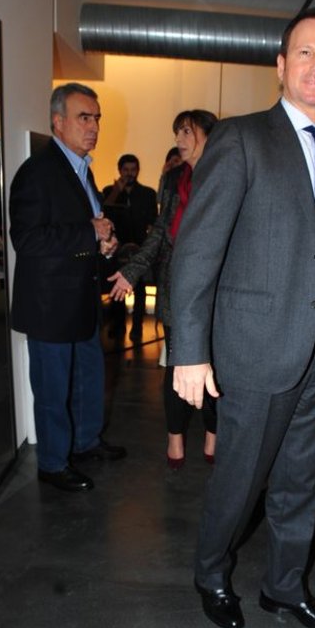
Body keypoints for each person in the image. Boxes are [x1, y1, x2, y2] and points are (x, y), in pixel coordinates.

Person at [170, 7, 315, 628]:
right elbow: (197, 250)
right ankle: (211, 573)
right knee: (241, 479)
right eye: (305, 52)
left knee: (303, 480)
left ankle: (284, 587)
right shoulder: (242, 138)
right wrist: (189, 351)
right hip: (254, 348)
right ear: (280, 65)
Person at [9, 82, 126, 493]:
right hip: (49, 305)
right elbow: (26, 239)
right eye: (83, 117)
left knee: (88, 379)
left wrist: (104, 244)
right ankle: (53, 463)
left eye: (96, 118)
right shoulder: (37, 172)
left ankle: (86, 442)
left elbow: (86, 230)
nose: (93, 126)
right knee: (53, 388)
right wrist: (88, 232)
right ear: (58, 122)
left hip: (80, 299)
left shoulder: (82, 169)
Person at [108, 110, 218, 467]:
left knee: (215, 365)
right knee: (176, 363)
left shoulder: (227, 173)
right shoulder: (173, 180)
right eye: (177, 132)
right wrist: (132, 270)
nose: (179, 140)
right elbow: (159, 232)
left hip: (216, 288)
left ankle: (213, 432)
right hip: (176, 284)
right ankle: (175, 437)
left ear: (208, 136)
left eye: (186, 132)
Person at [102, 154, 158, 341]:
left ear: (138, 171)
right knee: (116, 286)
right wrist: (116, 191)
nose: (129, 174)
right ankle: (118, 325)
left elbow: (153, 222)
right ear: (119, 170)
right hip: (116, 248)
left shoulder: (148, 194)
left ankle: (137, 326)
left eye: (133, 170)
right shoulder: (109, 191)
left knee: (139, 287)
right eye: (125, 170)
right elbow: (104, 213)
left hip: (140, 247)